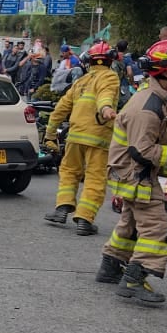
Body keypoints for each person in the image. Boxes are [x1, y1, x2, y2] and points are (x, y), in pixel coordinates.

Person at [98, 39, 167, 304]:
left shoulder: (158, 98)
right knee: (159, 223)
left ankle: (111, 266)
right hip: (135, 172)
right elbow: (142, 150)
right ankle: (133, 279)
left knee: (132, 221)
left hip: (129, 170)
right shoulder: (147, 107)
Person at [42, 42, 122, 236]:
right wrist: (106, 109)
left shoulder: (81, 81)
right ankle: (85, 219)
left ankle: (62, 208)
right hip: (98, 138)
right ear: (110, 61)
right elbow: (105, 96)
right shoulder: (110, 77)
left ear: (88, 62)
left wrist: (50, 134)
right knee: (95, 178)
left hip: (75, 136)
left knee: (69, 172)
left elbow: (60, 109)